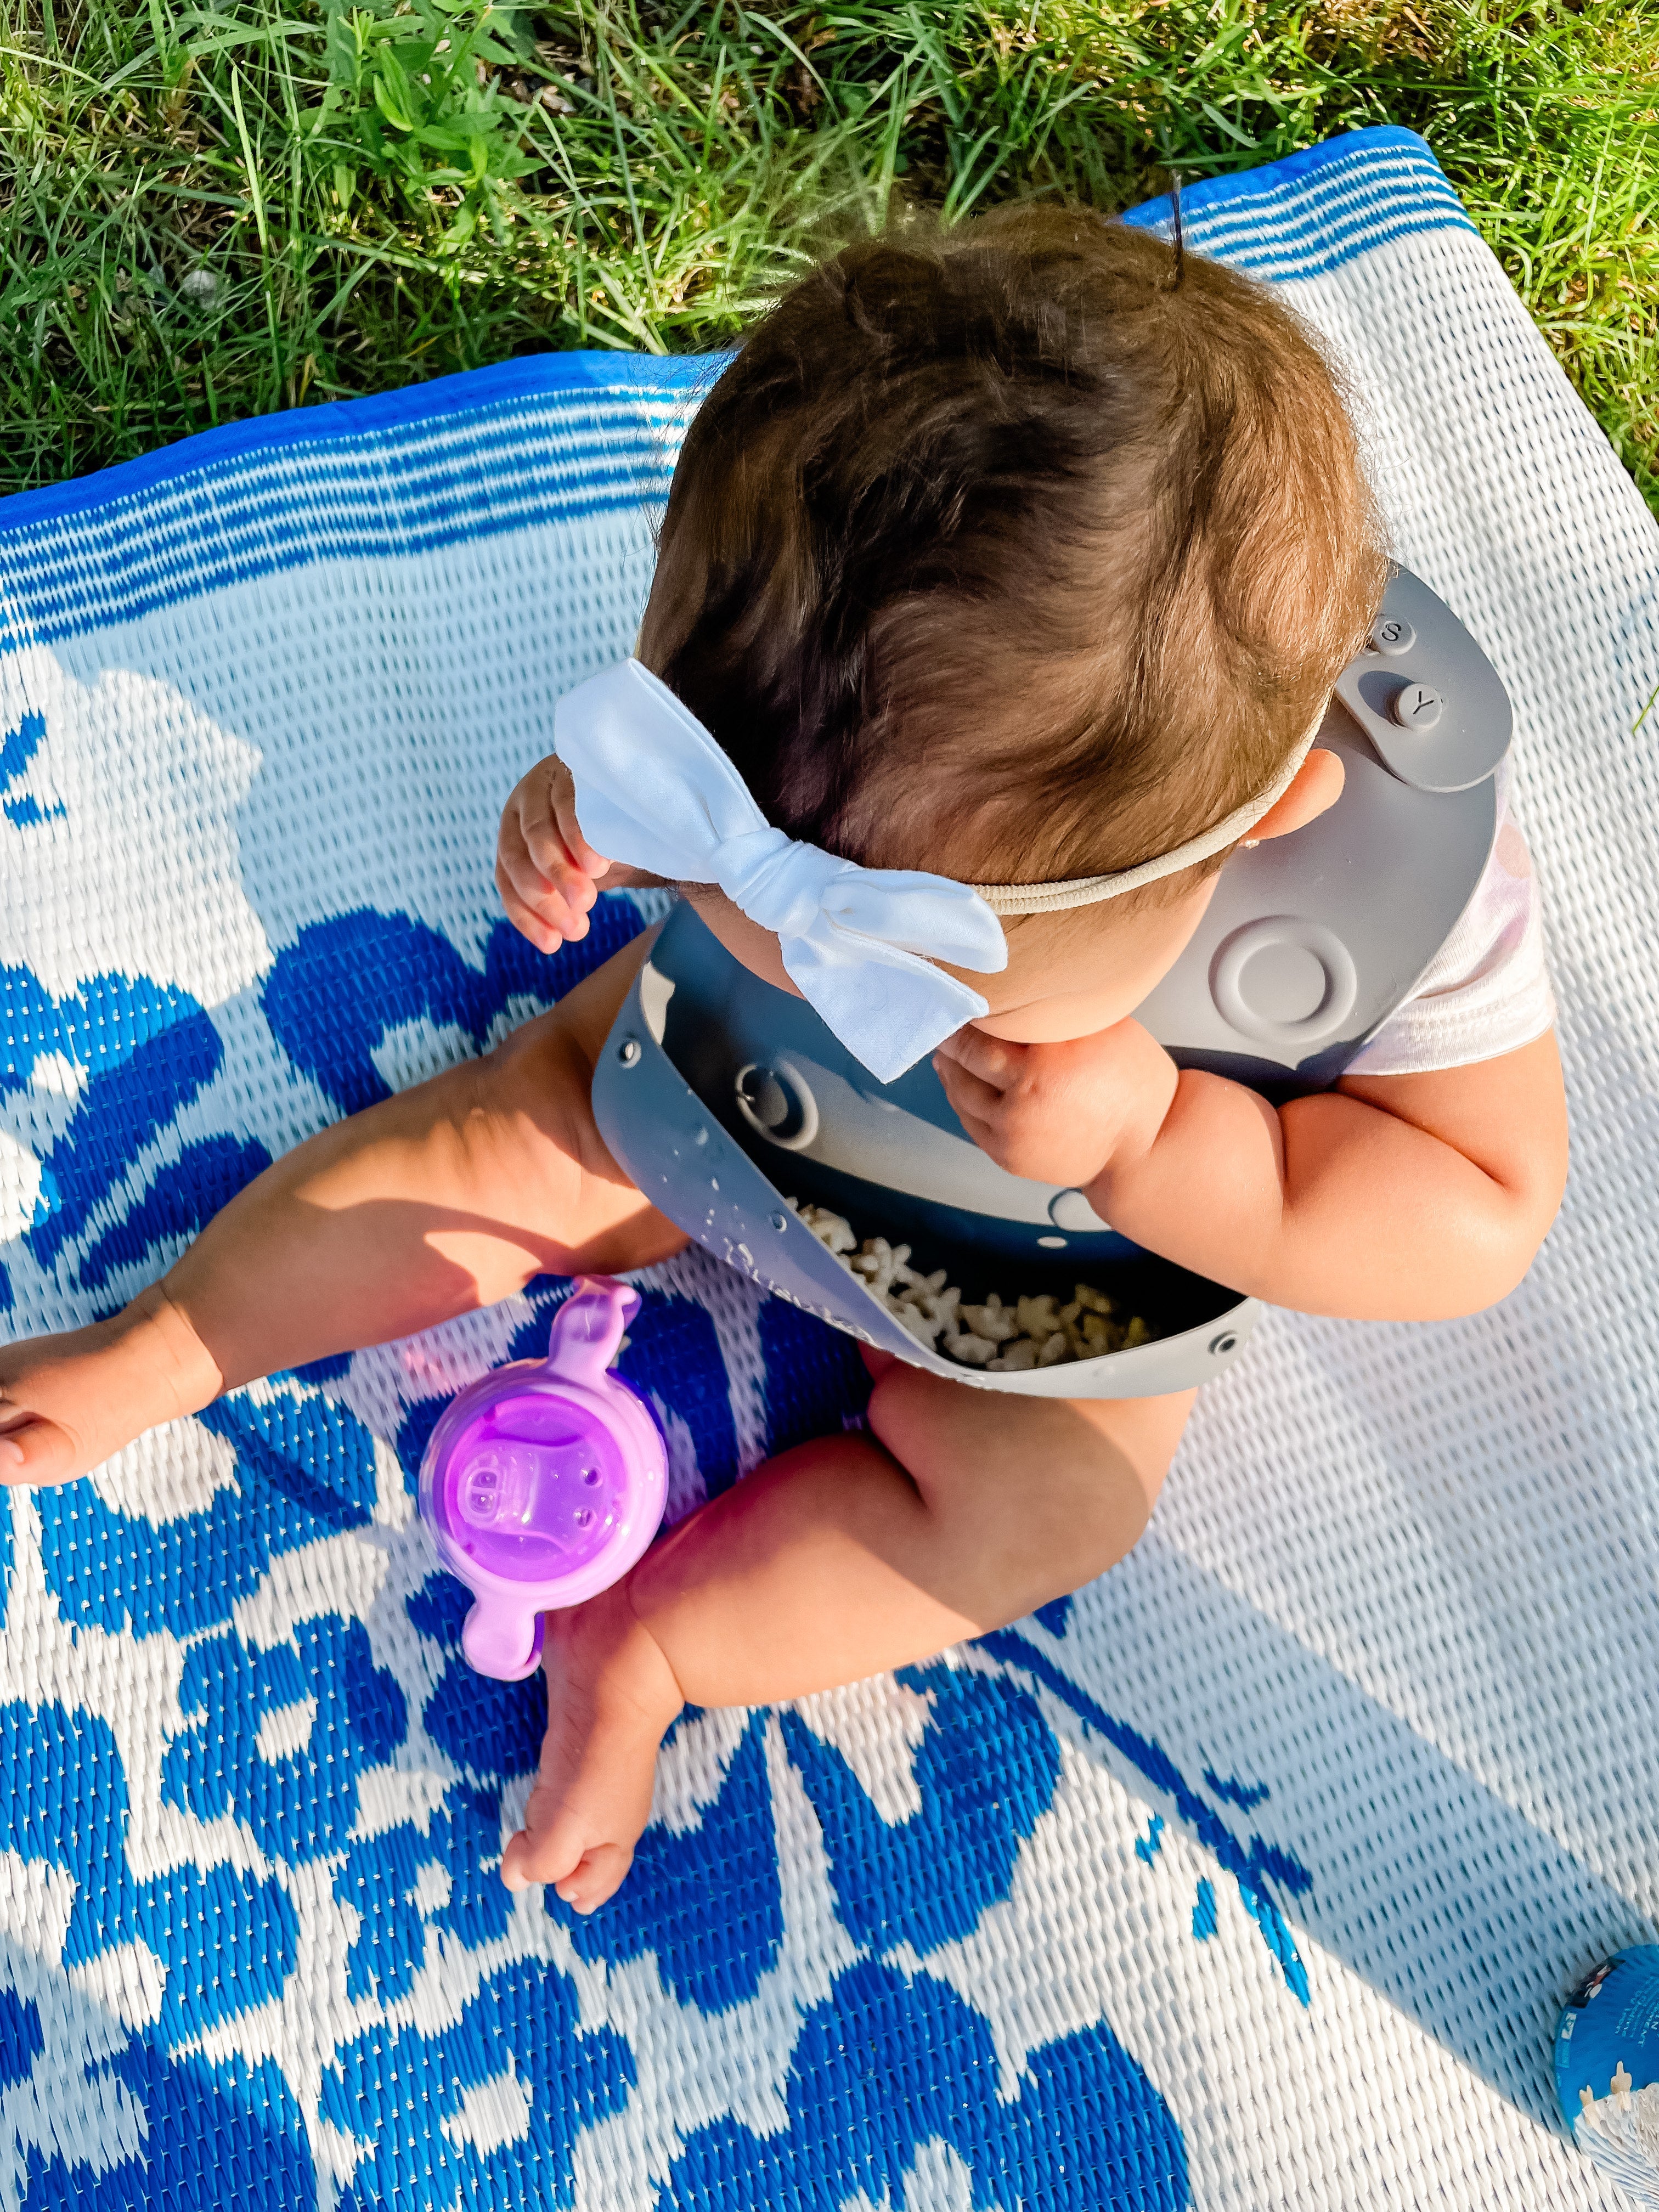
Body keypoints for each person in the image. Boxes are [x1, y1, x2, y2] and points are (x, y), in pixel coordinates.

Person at [0, 209, 1567, 1916]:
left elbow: (1476, 1210)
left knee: (1046, 1505)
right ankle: (174, 1337)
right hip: (709, 1075)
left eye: (869, 933)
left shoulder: (1404, 884)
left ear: (1262, 823)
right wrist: (597, 815)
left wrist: (1166, 1141)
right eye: (716, 816)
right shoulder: (807, 691)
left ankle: (657, 1647)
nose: (765, 915)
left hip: (1054, 1270)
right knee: (515, 1123)